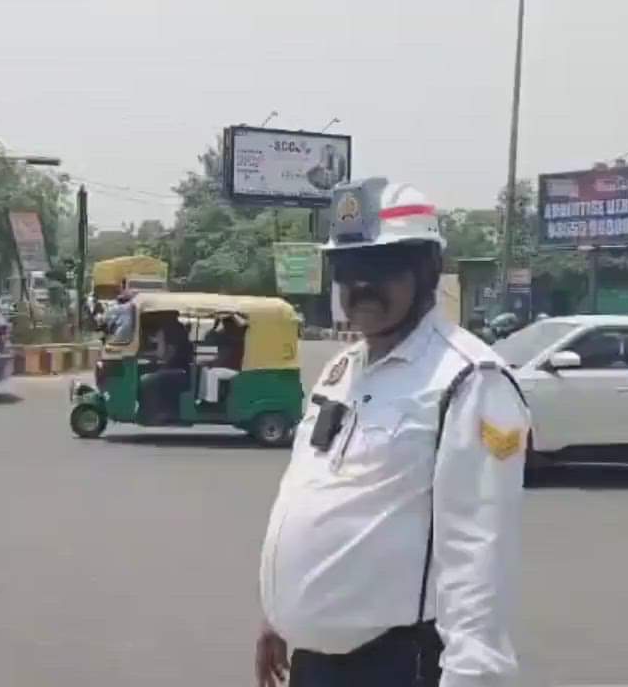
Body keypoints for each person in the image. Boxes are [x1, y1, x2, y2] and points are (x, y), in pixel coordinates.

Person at [256, 177, 531, 687]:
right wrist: (280, 614)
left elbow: (478, 554)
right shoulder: (343, 368)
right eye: (349, 270)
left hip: (394, 664)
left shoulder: (468, 380)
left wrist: (472, 678)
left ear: (425, 272)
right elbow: (312, 490)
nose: (361, 286)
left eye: (381, 269)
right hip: (316, 661)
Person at [140, 315, 191, 423]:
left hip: (178, 371)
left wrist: (145, 354)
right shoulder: (179, 328)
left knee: (145, 380)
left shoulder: (165, 330)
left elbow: (162, 354)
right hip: (185, 368)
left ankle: (157, 413)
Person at [201, 314, 246, 403]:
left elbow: (215, 338)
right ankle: (204, 397)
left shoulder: (237, 336)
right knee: (205, 370)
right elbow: (209, 339)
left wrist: (215, 328)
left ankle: (212, 400)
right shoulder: (226, 334)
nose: (225, 326)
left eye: (227, 324)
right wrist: (215, 326)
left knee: (213, 373)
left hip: (235, 370)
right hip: (225, 367)